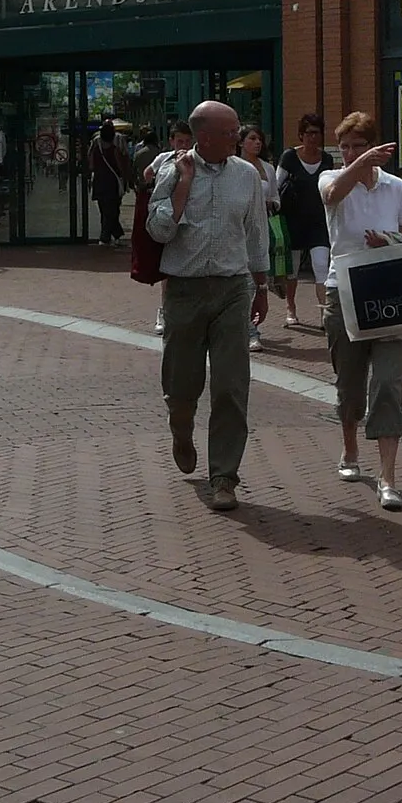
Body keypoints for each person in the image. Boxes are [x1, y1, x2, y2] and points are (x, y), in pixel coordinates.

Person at [146, 100, 271, 512]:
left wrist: (261, 282)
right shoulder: (173, 169)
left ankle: (224, 476)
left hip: (233, 290)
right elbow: (159, 230)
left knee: (231, 387)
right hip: (184, 289)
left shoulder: (247, 174)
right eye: (231, 131)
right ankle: (181, 430)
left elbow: (255, 230)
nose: (239, 136)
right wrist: (181, 189)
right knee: (181, 387)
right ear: (205, 137)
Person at [320, 112, 402, 510]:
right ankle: (349, 451)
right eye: (344, 147)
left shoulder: (398, 188)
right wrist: (357, 165)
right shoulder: (331, 179)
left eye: (358, 147)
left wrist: (389, 241)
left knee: (387, 384)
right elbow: (332, 197)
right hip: (343, 289)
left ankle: (388, 477)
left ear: (375, 148)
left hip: (390, 291)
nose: (349, 154)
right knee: (350, 381)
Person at [276, 113, 333, 328]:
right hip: (293, 221)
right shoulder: (289, 157)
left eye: (317, 133)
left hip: (318, 222)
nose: (313, 137)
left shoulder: (326, 159)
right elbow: (277, 185)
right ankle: (291, 308)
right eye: (309, 133)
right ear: (301, 135)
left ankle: (324, 314)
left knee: (322, 267)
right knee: (293, 270)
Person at [146, 119, 194, 334]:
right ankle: (164, 311)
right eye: (179, 141)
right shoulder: (163, 158)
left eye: (186, 141)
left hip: (191, 217)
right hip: (169, 216)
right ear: (171, 141)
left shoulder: (195, 159)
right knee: (168, 268)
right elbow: (147, 174)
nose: (183, 145)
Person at [238, 124, 281, 353]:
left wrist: (271, 204)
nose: (257, 143)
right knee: (244, 280)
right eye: (252, 138)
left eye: (259, 139)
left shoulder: (268, 168)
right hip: (239, 230)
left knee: (258, 278)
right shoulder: (235, 167)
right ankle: (251, 331)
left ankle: (247, 325)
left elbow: (276, 196)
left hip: (262, 227)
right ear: (241, 141)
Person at [88, 119, 132, 247]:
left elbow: (90, 163)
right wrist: (126, 179)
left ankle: (109, 235)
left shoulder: (96, 143)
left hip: (99, 180)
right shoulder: (116, 146)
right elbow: (123, 163)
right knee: (113, 209)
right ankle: (109, 235)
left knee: (104, 210)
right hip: (113, 181)